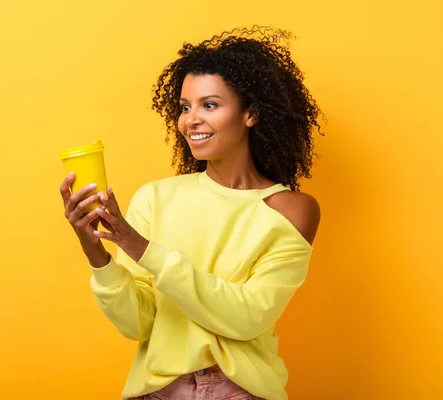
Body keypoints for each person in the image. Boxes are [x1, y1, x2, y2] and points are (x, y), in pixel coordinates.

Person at [59, 26, 324, 400]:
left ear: (251, 114)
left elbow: (247, 317)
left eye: (209, 105)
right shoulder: (155, 197)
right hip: (159, 391)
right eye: (185, 107)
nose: (190, 120)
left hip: (240, 390)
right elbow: (138, 324)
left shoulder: (291, 209)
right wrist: (96, 253)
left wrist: (142, 248)